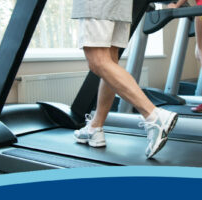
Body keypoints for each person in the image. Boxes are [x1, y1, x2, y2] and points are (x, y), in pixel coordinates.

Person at [71, 0, 178, 158]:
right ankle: (95, 127)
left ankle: (155, 116)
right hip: (122, 4)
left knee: (98, 61)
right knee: (110, 60)